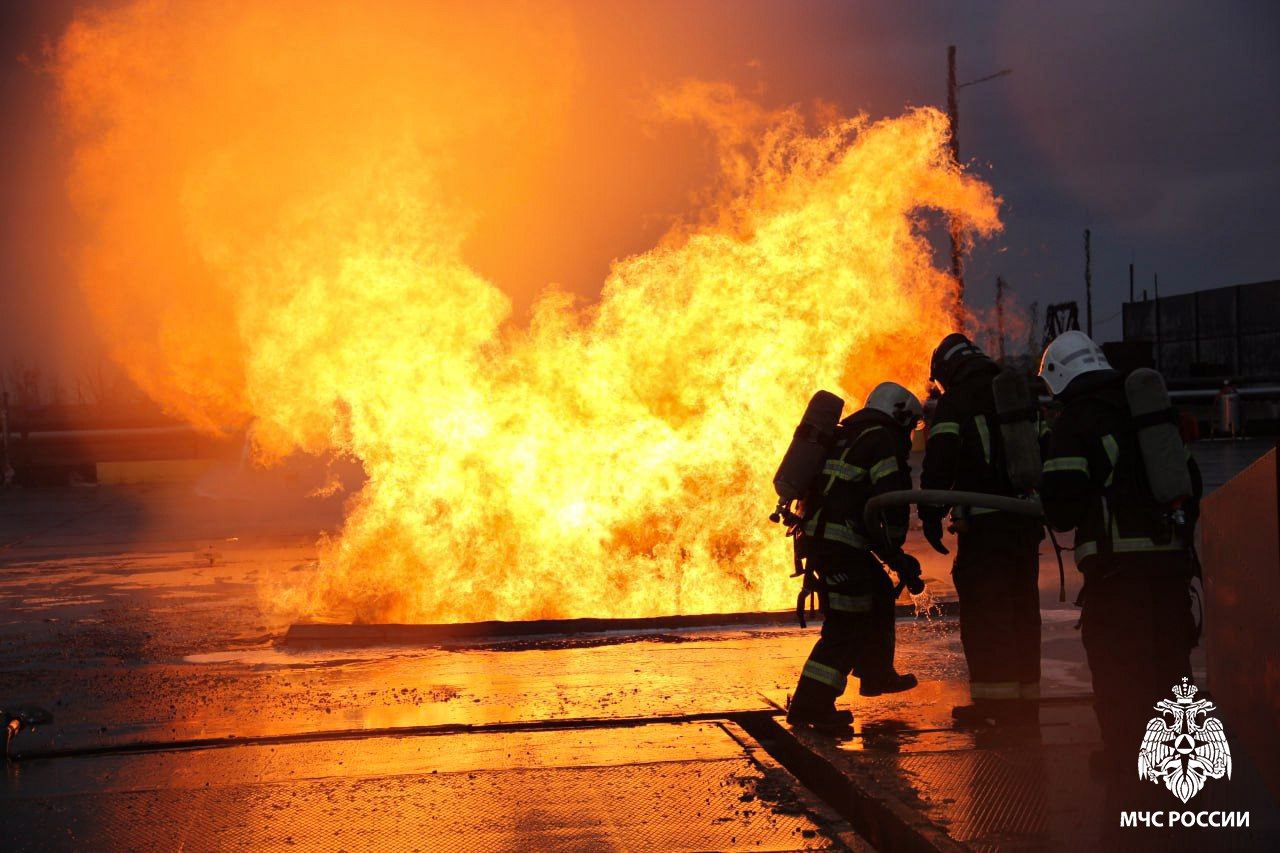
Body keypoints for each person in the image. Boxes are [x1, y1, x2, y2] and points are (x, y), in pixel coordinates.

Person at [1037, 331, 1200, 776]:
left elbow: (1062, 509)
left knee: (1118, 666)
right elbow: (1190, 485)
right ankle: (1181, 763)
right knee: (1170, 664)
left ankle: (1126, 760)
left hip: (1117, 575)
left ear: (1059, 376)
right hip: (1170, 566)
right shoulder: (1149, 411)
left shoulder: (1077, 421)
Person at [919, 333, 1043, 727]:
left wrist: (930, 515)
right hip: (1023, 526)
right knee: (1022, 609)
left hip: (984, 531)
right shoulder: (1014, 392)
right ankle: (1025, 700)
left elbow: (939, 463)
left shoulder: (957, 401)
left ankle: (993, 707)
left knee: (987, 616)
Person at [787, 382, 924, 730]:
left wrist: (892, 560)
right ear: (899, 415)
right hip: (839, 545)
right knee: (847, 624)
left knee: (877, 592)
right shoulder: (883, 440)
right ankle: (810, 705)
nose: (909, 435)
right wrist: (897, 554)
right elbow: (890, 503)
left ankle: (876, 674)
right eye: (909, 426)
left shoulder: (846, 434)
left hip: (823, 540)